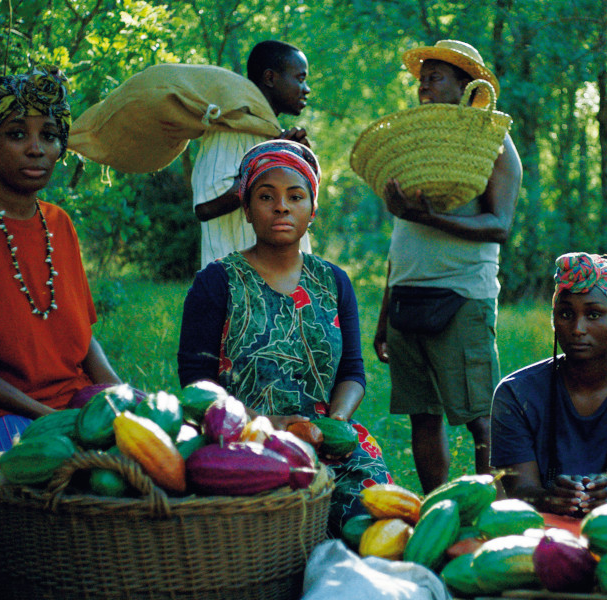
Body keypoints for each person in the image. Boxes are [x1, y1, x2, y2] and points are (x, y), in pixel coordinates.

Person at [0, 66, 124, 533]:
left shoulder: (58, 223)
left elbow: (84, 341)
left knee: (154, 455)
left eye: (50, 135)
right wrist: (40, 415)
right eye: (17, 134)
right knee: (33, 494)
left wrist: (123, 398)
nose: (37, 148)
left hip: (68, 399)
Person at [178, 140, 392, 534]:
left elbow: (352, 372)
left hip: (328, 447)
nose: (281, 206)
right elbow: (195, 385)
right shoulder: (216, 283)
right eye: (266, 196)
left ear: (312, 211)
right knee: (259, 536)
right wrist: (268, 423)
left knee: (375, 523)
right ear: (246, 209)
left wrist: (335, 424)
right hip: (243, 444)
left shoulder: (334, 282)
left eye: (295, 196)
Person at [373, 39, 523, 494]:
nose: (424, 88)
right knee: (423, 414)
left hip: (461, 298)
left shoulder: (493, 142)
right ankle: (435, 505)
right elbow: (401, 242)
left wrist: (426, 216)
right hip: (406, 301)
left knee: (480, 416)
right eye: (422, 80)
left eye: (436, 78)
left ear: (466, 85)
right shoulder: (416, 147)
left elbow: (499, 225)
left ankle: (491, 508)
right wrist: (383, 316)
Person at [491, 253, 607, 521]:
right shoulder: (515, 394)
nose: (578, 328)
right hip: (540, 532)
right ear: (554, 322)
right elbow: (519, 491)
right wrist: (548, 497)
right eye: (566, 314)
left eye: (594, 314)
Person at [192, 40, 313, 266]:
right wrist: (267, 160)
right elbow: (205, 207)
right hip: (236, 288)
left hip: (282, 288)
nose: (306, 89)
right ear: (270, 78)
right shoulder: (229, 131)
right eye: (300, 79)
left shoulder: (276, 137)